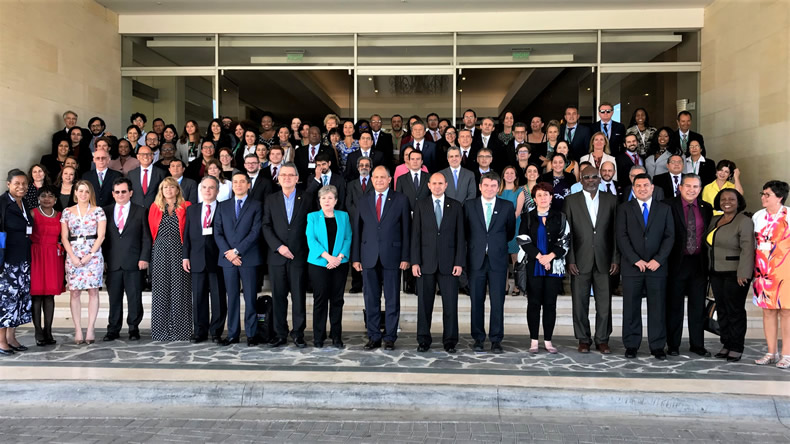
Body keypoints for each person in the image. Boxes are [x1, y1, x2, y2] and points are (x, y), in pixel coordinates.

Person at [352, 166, 411, 351]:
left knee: (392, 298)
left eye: (382, 177)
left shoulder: (401, 200)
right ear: (371, 179)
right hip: (368, 256)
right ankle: (374, 336)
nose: (378, 180)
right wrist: (356, 257)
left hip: (393, 256)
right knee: (371, 299)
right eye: (375, 177)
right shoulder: (363, 201)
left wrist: (406, 256)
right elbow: (357, 231)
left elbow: (406, 231)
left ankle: (390, 337)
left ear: (389, 179)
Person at [616, 174, 674, 360]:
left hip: (657, 267)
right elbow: (621, 236)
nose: (642, 188)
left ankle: (657, 345)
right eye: (638, 185)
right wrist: (635, 259)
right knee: (631, 308)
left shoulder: (664, 209)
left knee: (657, 308)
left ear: (652, 187)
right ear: (633, 188)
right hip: (632, 267)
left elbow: (669, 236)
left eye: (645, 185)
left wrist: (658, 259)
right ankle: (631, 345)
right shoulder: (624, 209)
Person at [563, 166, 619, 354]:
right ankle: (583, 339)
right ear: (581, 180)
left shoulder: (611, 200)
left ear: (600, 179)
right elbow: (567, 233)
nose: (591, 180)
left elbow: (615, 233)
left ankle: (602, 339)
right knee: (580, 302)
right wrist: (570, 259)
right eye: (586, 177)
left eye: (594, 176)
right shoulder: (571, 201)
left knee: (604, 304)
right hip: (579, 259)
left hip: (604, 259)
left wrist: (615, 258)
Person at [411, 172, 465, 353]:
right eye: (434, 183)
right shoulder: (421, 205)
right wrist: (415, 261)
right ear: (428, 185)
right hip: (425, 262)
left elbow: (460, 237)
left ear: (446, 185)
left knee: (450, 304)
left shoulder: (456, 206)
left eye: (440, 183)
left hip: (449, 263)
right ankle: (423, 339)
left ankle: (450, 340)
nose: (437, 186)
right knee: (424, 305)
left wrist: (459, 262)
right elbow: (415, 235)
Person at [465, 172, 516, 353]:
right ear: (480, 186)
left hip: (498, 260)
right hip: (476, 260)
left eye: (493, 186)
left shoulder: (507, 206)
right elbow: (466, 232)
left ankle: (496, 339)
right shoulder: (469, 205)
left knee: (497, 301)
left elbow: (509, 232)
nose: (489, 189)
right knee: (476, 300)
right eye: (486, 185)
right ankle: (478, 338)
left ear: (498, 187)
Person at [262, 163, 313, 348]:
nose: (287, 178)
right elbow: (265, 225)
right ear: (278, 178)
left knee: (298, 296)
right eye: (283, 175)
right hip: (277, 256)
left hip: (299, 255)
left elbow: (311, 226)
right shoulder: (270, 199)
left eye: (291, 175)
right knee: (279, 296)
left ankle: (298, 333)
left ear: (297, 178)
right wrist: (278, 246)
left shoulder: (307, 198)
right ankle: (280, 333)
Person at [666, 173, 714, 357]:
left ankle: (697, 344)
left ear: (700, 189)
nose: (691, 190)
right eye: (688, 186)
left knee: (697, 307)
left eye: (695, 187)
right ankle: (673, 344)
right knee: (674, 306)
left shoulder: (706, 208)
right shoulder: (668, 205)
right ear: (680, 187)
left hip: (699, 264)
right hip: (676, 263)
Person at [519, 182, 569, 354]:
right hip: (534, 265)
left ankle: (548, 341)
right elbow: (523, 240)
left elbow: (565, 240)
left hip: (553, 266)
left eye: (546, 195)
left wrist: (550, 256)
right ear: (534, 198)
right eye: (539, 195)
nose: (542, 198)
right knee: (533, 303)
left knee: (550, 304)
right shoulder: (527, 217)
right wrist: (540, 257)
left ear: (551, 197)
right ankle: (534, 341)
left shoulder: (560, 216)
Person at [215, 171, 263, 346]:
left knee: (250, 297)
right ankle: (233, 334)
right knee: (232, 297)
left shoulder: (256, 205)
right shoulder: (223, 205)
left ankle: (251, 334)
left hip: (248, 257)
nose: (238, 185)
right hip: (228, 259)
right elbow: (218, 232)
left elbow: (256, 231)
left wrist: (237, 251)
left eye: (242, 182)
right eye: (235, 182)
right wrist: (229, 252)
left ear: (248, 185)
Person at [706, 188, 753, 362]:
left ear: (738, 202)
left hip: (735, 273)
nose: (727, 202)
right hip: (716, 272)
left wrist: (744, 272)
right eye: (723, 199)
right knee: (722, 310)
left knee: (735, 311)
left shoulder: (744, 221)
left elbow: (748, 248)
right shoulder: (715, 219)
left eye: (732, 199)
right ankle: (726, 343)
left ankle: (736, 346)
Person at [102, 177, 151, 342]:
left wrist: (144, 257)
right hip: (113, 262)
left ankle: (133, 328)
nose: (120, 195)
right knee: (114, 298)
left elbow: (146, 237)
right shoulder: (105, 211)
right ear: (113, 194)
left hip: (134, 261)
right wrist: (104, 260)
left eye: (124, 191)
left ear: (130, 193)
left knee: (134, 298)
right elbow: (103, 238)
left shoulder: (141, 210)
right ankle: (113, 329)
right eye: (117, 192)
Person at [60, 180, 106, 345]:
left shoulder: (98, 211)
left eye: (86, 191)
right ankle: (78, 329)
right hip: (73, 253)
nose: (83, 194)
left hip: (92, 253)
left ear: (90, 193)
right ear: (75, 193)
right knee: (75, 293)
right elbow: (64, 237)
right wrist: (72, 256)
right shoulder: (67, 212)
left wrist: (90, 254)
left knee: (93, 291)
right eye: (80, 191)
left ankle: (91, 328)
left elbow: (101, 236)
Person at [183, 176, 227, 344]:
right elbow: (186, 235)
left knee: (218, 297)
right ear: (200, 190)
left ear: (217, 190)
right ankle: (200, 331)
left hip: (218, 259)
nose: (208, 190)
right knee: (198, 297)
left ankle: (216, 331)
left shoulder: (224, 208)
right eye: (205, 187)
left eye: (211, 187)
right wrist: (185, 256)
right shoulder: (192, 210)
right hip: (196, 259)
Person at [147, 177, 192, 341]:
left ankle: (181, 331)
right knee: (160, 291)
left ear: (177, 190)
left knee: (180, 290)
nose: (168, 190)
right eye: (165, 187)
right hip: (159, 250)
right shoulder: (154, 207)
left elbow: (188, 232)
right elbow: (152, 231)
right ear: (161, 190)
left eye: (172, 187)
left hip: (180, 250)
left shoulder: (186, 206)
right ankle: (160, 331)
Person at [306, 185, 351, 348]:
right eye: (323, 198)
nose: (327, 201)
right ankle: (318, 336)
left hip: (340, 263)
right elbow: (311, 240)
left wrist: (338, 258)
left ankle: (336, 336)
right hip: (319, 264)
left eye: (330, 198)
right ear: (319, 201)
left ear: (336, 201)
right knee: (320, 300)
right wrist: (328, 258)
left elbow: (348, 238)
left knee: (337, 300)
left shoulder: (343, 216)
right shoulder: (312, 217)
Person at [752, 180, 790, 368]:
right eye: (763, 193)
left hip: (785, 271)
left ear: (779, 197)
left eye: (767, 194)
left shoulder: (789, 215)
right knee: (767, 312)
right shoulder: (757, 216)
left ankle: (787, 355)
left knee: (786, 312)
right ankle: (771, 352)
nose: (763, 197)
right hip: (763, 272)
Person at [0, 170, 34, 355]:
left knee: (19, 300)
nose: (21, 187)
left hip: (24, 259)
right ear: (8, 185)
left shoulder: (25, 203)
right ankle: (1, 340)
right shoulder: (2, 204)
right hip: (8, 261)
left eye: (24, 184)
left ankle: (12, 337)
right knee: (6, 301)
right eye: (17, 183)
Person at [29, 186, 63, 347]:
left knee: (49, 295)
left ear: (56, 199)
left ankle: (48, 330)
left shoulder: (60, 216)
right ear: (38, 198)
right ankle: (37, 331)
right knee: (37, 295)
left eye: (50, 196)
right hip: (36, 254)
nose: (47, 199)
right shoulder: (33, 213)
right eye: (43, 196)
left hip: (53, 256)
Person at [344, 156, 373, 294]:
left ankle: (370, 283)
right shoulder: (351, 184)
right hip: (354, 223)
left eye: (367, 165)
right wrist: (359, 216)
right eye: (361, 165)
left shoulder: (375, 182)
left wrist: (367, 216)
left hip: (371, 224)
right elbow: (348, 203)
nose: (364, 167)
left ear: (370, 168)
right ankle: (356, 284)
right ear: (357, 168)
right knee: (355, 253)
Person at [499, 167, 525, 295]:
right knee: (503, 257)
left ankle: (517, 285)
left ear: (515, 176)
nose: (509, 175)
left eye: (512, 173)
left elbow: (517, 212)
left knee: (515, 257)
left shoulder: (520, 191)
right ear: (503, 176)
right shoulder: (498, 190)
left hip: (514, 226)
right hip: (499, 228)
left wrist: (506, 222)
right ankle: (504, 285)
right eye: (506, 173)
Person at [130, 146, 167, 211]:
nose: (145, 156)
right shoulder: (131, 174)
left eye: (148, 154)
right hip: (136, 211)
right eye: (142, 154)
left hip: (156, 210)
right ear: (138, 157)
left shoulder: (161, 173)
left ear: (152, 156)